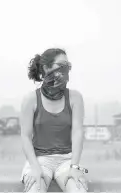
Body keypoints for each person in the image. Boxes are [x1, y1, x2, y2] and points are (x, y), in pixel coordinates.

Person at [20, 48, 88, 193]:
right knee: (35, 189)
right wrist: (35, 168)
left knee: (78, 190)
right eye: (61, 65)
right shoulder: (30, 99)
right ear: (46, 68)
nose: (65, 70)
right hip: (40, 160)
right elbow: (25, 136)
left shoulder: (75, 98)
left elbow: (77, 132)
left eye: (67, 66)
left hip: (67, 160)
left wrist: (74, 167)